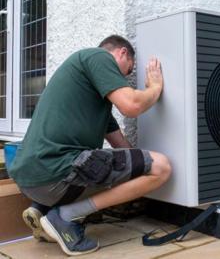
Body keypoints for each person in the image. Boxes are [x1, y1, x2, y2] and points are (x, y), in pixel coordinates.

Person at [8, 35, 172, 255]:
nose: (125, 77)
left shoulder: (93, 98)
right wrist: (155, 88)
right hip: (55, 173)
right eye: (128, 70)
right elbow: (131, 105)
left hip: (31, 179)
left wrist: (138, 170)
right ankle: (65, 217)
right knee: (161, 167)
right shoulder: (97, 56)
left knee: (123, 163)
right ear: (121, 53)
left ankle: (42, 209)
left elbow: (122, 147)